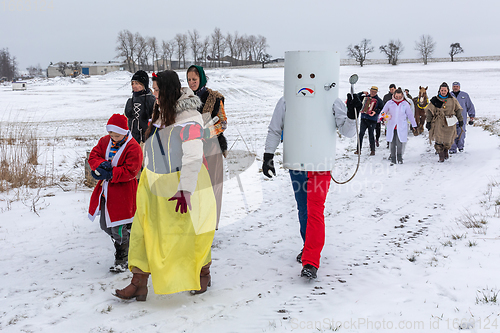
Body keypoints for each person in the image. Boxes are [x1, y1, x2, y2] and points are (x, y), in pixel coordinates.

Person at [114, 71, 217, 301]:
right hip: (155, 183)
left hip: (184, 184)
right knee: (144, 230)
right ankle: (138, 282)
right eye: (154, 89)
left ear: (169, 90)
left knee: (190, 232)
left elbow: (192, 157)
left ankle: (203, 272)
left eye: (158, 90)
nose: (154, 94)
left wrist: (185, 189)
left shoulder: (189, 117)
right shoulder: (160, 112)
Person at [262, 95, 357, 279]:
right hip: (297, 163)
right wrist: (268, 155)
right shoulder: (286, 100)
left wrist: (352, 116)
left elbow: (347, 132)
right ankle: (308, 248)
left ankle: (311, 262)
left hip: (320, 164)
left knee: (314, 210)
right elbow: (275, 129)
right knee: (303, 210)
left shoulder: (331, 100)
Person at [88, 114, 143, 272]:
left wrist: (112, 173)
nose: (113, 138)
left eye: (117, 135)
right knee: (105, 225)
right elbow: (94, 155)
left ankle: (122, 257)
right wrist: (99, 167)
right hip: (106, 192)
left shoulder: (133, 147)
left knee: (117, 227)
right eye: (111, 134)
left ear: (125, 132)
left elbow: (131, 170)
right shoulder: (105, 141)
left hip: (123, 193)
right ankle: (129, 242)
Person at [186, 65, 227, 228]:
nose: (191, 83)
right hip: (191, 149)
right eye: (189, 79)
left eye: (194, 79)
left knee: (211, 185)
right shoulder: (185, 98)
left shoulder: (214, 98)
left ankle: (210, 224)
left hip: (211, 148)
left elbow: (223, 123)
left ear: (201, 78)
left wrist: (206, 133)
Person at [425, 82, 463, 162]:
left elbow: (458, 110)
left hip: (450, 123)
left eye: (445, 90)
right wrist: (428, 122)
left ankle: (446, 152)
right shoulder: (435, 100)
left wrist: (460, 120)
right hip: (438, 123)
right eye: (442, 90)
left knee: (448, 140)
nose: (443, 92)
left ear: (448, 91)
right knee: (439, 140)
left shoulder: (453, 100)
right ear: (439, 91)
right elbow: (429, 111)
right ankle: (441, 157)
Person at [381, 88, 417, 164]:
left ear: (402, 96)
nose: (398, 98)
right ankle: (393, 157)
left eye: (399, 96)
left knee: (400, 142)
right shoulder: (389, 103)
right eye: (396, 96)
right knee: (392, 142)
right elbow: (383, 112)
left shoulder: (405, 104)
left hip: (401, 126)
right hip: (392, 125)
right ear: (394, 95)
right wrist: (382, 117)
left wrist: (414, 125)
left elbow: (410, 115)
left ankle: (399, 156)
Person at [124, 70, 156, 144]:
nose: (134, 86)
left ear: (144, 84)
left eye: (137, 83)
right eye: (133, 83)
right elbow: (126, 120)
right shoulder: (130, 101)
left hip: (148, 140)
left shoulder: (151, 100)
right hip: (132, 140)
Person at [354, 86, 383, 155]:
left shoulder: (379, 100)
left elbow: (382, 109)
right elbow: (355, 97)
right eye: (371, 91)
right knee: (361, 134)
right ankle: (358, 149)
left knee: (371, 134)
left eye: (374, 92)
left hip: (372, 120)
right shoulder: (365, 97)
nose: (372, 93)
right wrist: (362, 92)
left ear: (376, 92)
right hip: (364, 118)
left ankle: (372, 150)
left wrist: (375, 112)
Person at [450, 81, 475, 154]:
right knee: (452, 133)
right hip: (451, 118)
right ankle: (452, 148)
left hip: (462, 118)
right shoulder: (449, 95)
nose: (455, 88)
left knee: (461, 132)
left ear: (459, 87)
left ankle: (461, 147)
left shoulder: (465, 95)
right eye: (454, 86)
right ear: (452, 87)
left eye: (457, 86)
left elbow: (470, 106)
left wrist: (471, 116)